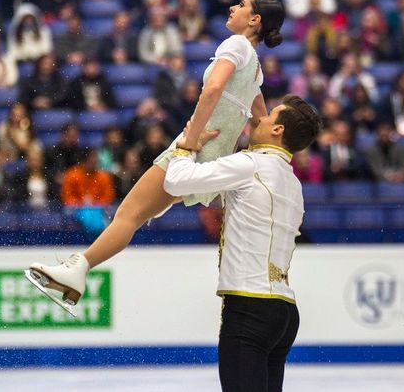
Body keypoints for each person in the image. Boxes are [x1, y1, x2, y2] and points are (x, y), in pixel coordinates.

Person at [33, 95, 322, 391]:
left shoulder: (251, 165)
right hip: (284, 312)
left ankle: (79, 267)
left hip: (250, 308)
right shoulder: (292, 181)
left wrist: (187, 145)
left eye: (270, 116)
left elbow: (177, 181)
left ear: (278, 131)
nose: (259, 118)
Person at [28, 0, 286, 301]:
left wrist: (189, 143)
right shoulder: (256, 67)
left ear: (255, 20)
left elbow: (213, 89)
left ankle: (77, 270)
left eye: (242, 5)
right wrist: (276, 160)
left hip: (194, 152)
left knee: (128, 214)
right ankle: (78, 270)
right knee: (137, 216)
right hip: (215, 162)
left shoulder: (235, 45)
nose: (232, 7)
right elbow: (260, 122)